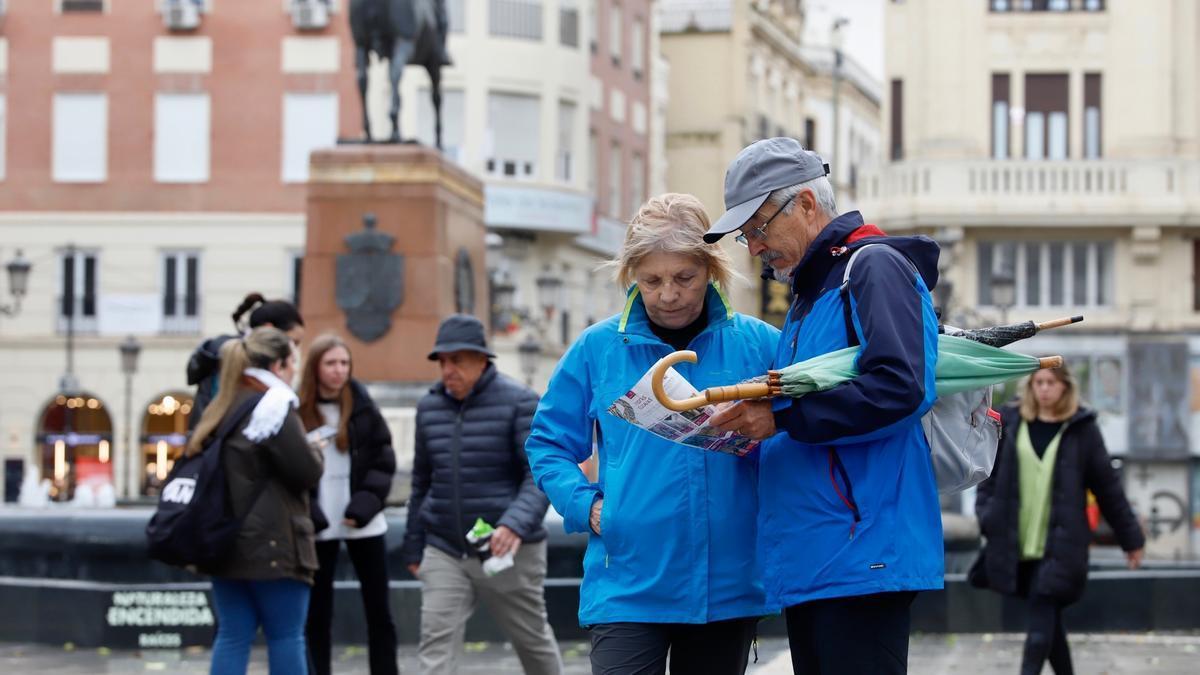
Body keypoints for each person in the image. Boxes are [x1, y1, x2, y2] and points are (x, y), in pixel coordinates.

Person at [704, 137, 943, 674]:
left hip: (859, 553)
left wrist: (780, 417)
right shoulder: (812, 297)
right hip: (821, 556)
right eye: (746, 235)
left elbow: (901, 388)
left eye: (758, 229)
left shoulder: (872, 267)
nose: (753, 248)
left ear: (806, 205)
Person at [525, 193, 781, 674]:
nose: (668, 294)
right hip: (628, 583)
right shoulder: (597, 348)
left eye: (684, 277)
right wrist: (588, 507)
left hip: (726, 586)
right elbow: (548, 443)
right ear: (631, 277)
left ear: (711, 269)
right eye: (651, 281)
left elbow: (796, 439)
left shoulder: (760, 344)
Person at [403, 314, 562, 675]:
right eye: (442, 361)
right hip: (444, 547)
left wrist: (513, 525)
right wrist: (414, 546)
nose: (448, 370)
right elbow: (421, 481)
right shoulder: (429, 407)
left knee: (532, 641)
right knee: (434, 645)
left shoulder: (520, 401)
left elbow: (539, 475)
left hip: (508, 549)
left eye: (457, 360)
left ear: (481, 359)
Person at [971, 365, 1145, 675]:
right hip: (1016, 542)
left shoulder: (1082, 428)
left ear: (1065, 387)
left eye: (1051, 382)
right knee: (1049, 624)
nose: (1044, 388)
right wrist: (986, 515)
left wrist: (1131, 539)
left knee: (1039, 628)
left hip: (1062, 546)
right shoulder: (1010, 421)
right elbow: (989, 476)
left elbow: (1108, 489)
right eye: (1038, 381)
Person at [188, 327, 323, 675]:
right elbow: (305, 471)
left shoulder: (222, 405)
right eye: (292, 362)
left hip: (225, 540)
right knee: (286, 637)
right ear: (278, 365)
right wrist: (314, 452)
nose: (293, 370)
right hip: (274, 543)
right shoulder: (274, 405)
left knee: (232, 636)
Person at [298, 334, 399, 675]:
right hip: (318, 526)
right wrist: (312, 517)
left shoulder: (362, 406)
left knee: (379, 613)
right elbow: (290, 472)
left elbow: (383, 461)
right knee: (317, 615)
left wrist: (363, 507)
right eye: (330, 363)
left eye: (344, 363)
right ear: (315, 367)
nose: (339, 370)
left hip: (364, 521)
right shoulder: (296, 410)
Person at [187, 293, 306, 429]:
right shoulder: (236, 359)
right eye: (292, 342)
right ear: (268, 329)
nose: (292, 351)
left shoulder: (234, 355)